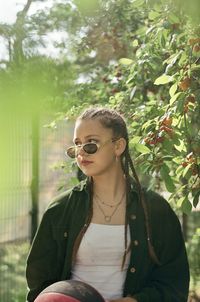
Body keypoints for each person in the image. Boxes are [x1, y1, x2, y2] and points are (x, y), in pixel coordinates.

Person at [26, 107, 190, 302]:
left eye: (91, 143)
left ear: (118, 146)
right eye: (77, 144)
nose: (81, 152)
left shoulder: (155, 209)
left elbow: (174, 282)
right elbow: (39, 281)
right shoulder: (61, 208)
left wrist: (136, 301)